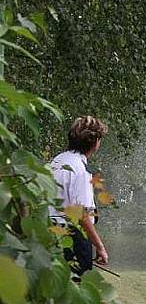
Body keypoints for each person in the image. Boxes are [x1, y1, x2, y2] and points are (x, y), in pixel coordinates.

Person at [49, 116, 110, 278]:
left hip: (50, 232)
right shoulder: (81, 170)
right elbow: (81, 214)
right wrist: (100, 246)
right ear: (95, 141)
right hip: (72, 237)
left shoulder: (56, 161)